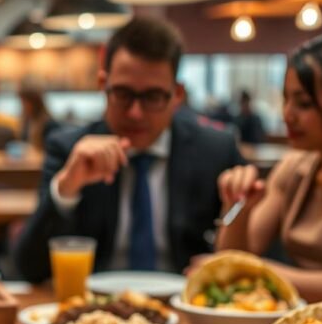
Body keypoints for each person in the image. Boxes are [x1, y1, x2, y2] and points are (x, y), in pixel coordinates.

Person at [14, 16, 245, 284]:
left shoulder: (216, 151)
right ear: (103, 85)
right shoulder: (69, 149)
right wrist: (67, 187)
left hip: (185, 311)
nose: (135, 113)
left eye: (153, 97)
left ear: (177, 95)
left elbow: (245, 263)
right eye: (123, 94)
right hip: (94, 315)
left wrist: (240, 205)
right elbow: (28, 268)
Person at [212, 34, 322, 313]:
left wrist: (257, 271)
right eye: (286, 100)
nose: (287, 114)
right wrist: (236, 206)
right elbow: (232, 261)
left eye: (303, 103)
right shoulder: (296, 166)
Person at [18, 79, 59, 150]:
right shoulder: (27, 121)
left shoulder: (49, 124)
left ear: (35, 103)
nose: (23, 106)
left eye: (25, 103)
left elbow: (51, 149)